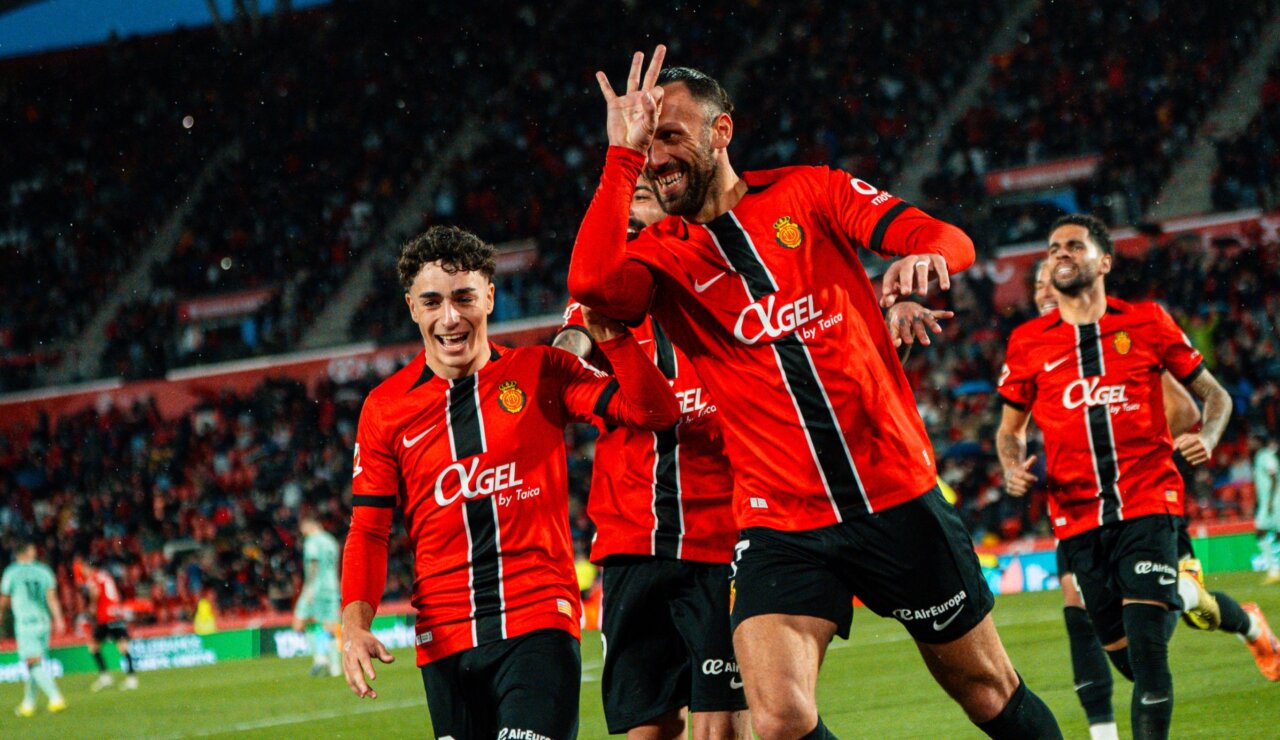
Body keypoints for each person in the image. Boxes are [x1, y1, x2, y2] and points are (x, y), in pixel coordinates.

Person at [569, 47, 1061, 739]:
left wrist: (927, 258)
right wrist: (620, 154)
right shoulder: (660, 256)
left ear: (721, 132)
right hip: (781, 522)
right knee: (778, 720)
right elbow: (591, 287)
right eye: (647, 144)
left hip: (894, 495)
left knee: (986, 691)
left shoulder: (811, 192)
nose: (657, 157)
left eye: (671, 136)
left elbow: (944, 236)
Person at [340, 225, 679, 739]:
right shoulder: (386, 409)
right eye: (432, 302)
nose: (450, 318)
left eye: (464, 298)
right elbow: (368, 529)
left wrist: (610, 336)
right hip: (444, 643)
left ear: (490, 297)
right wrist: (354, 626)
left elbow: (655, 412)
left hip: (538, 621)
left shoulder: (542, 371)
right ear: (412, 307)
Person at [997, 214, 1242, 739]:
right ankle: (1187, 596)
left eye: (1074, 246)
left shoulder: (1148, 322)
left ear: (1103, 261)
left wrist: (1210, 438)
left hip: (1148, 504)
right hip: (1078, 521)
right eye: (1054, 246)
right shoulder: (1027, 344)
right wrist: (1010, 467)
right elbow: (1009, 429)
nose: (1061, 253)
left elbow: (1215, 396)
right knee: (1129, 661)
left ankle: (1174, 597)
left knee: (1149, 664)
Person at [555, 179, 749, 739]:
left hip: (720, 541)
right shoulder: (600, 300)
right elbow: (570, 344)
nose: (627, 211)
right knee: (646, 729)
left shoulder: (725, 283)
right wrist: (561, 361)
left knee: (723, 728)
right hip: (630, 548)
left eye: (639, 195)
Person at [0, 541, 67, 716]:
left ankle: (55, 697)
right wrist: (59, 619)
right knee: (35, 663)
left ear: (18, 554)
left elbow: (4, 600)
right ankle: (28, 703)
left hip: (26, 622)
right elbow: (52, 598)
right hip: (44, 622)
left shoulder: (12, 572)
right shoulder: (44, 571)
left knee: (32, 662)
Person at [293, 515, 342, 677]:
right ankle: (335, 667)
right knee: (329, 626)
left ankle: (320, 657)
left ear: (310, 526)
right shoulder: (331, 541)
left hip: (316, 587)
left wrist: (308, 588)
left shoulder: (312, 541)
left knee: (298, 623)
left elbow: (313, 563)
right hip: (332, 586)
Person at [85, 561, 138, 692]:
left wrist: (92, 606)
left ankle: (105, 676)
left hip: (105, 616)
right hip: (116, 613)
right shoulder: (106, 576)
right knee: (123, 646)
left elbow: (95, 592)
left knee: (93, 646)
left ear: (89, 567)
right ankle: (131, 679)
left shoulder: (93, 577)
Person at [1256, 435, 1280, 584]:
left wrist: (1270, 501)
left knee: (1261, 531)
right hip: (1269, 501)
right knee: (1274, 534)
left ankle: (1273, 570)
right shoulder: (1261, 456)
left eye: (1253, 440)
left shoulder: (1265, 455)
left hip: (1273, 502)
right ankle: (1273, 570)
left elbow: (1273, 476)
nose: (1249, 443)